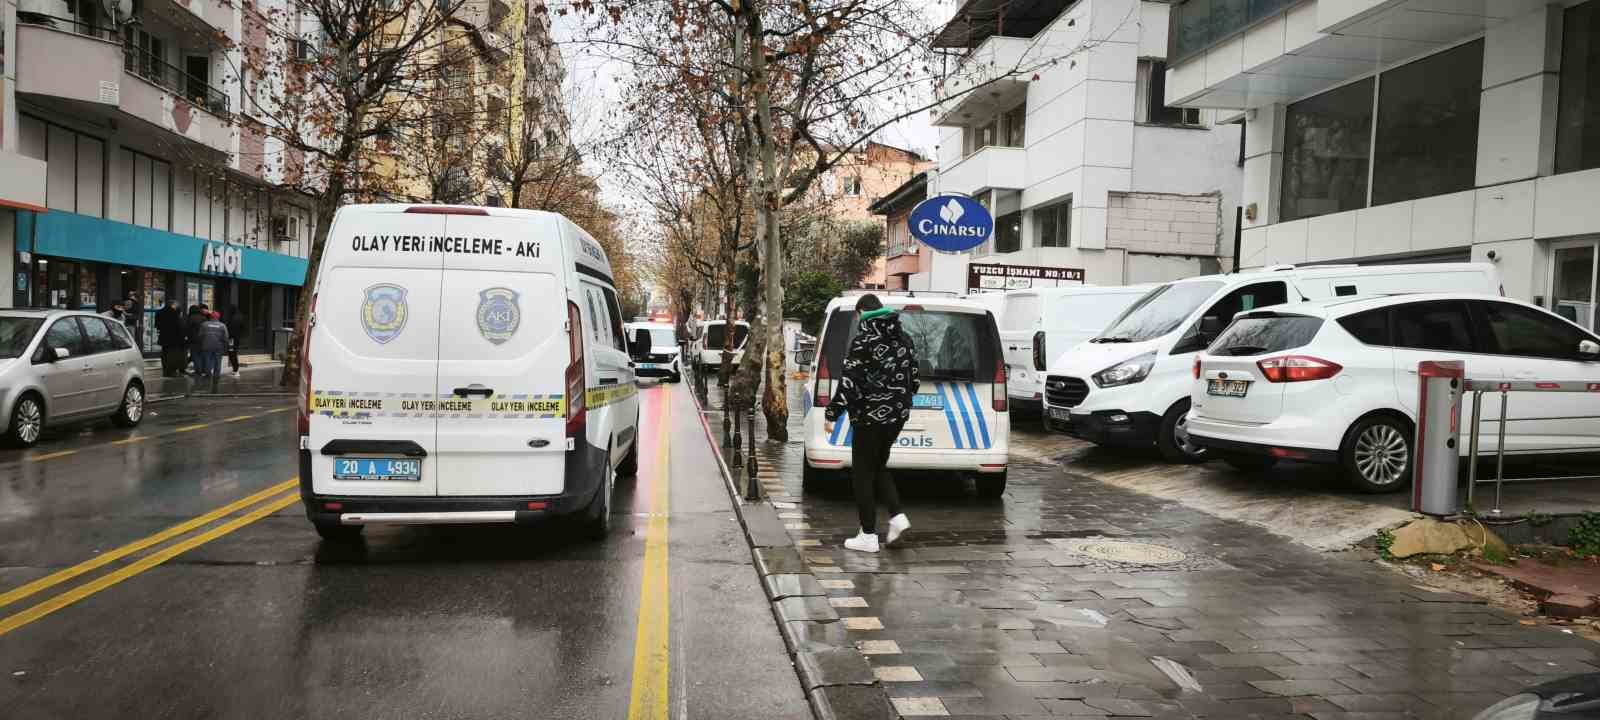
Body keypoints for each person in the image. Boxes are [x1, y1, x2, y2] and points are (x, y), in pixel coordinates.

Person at [822, 294, 920, 553]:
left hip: (870, 417)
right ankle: (897, 517)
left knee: (863, 474)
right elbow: (916, 379)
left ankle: (867, 535)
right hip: (897, 415)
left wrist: (832, 414)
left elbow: (849, 383)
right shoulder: (905, 338)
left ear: (861, 312)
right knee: (877, 465)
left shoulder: (863, 340)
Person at [195, 310, 230, 379]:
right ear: (218, 317)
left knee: (207, 360)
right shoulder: (222, 325)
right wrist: (226, 346)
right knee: (218, 361)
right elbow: (226, 337)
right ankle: (216, 375)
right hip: (218, 346)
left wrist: (201, 343)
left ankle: (208, 374)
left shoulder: (204, 324)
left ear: (210, 317)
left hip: (206, 346)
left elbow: (200, 335)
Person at [155, 300, 186, 377]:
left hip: (163, 336)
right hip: (174, 337)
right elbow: (179, 326)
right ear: (173, 305)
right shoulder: (175, 313)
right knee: (172, 355)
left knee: (164, 354)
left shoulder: (159, 312)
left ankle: (165, 371)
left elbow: (156, 325)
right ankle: (171, 371)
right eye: (176, 305)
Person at [225, 305, 244, 377]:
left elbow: (229, 328)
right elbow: (242, 327)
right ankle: (235, 370)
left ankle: (236, 370)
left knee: (232, 353)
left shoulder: (232, 318)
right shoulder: (240, 316)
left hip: (231, 339)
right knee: (234, 353)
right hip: (237, 338)